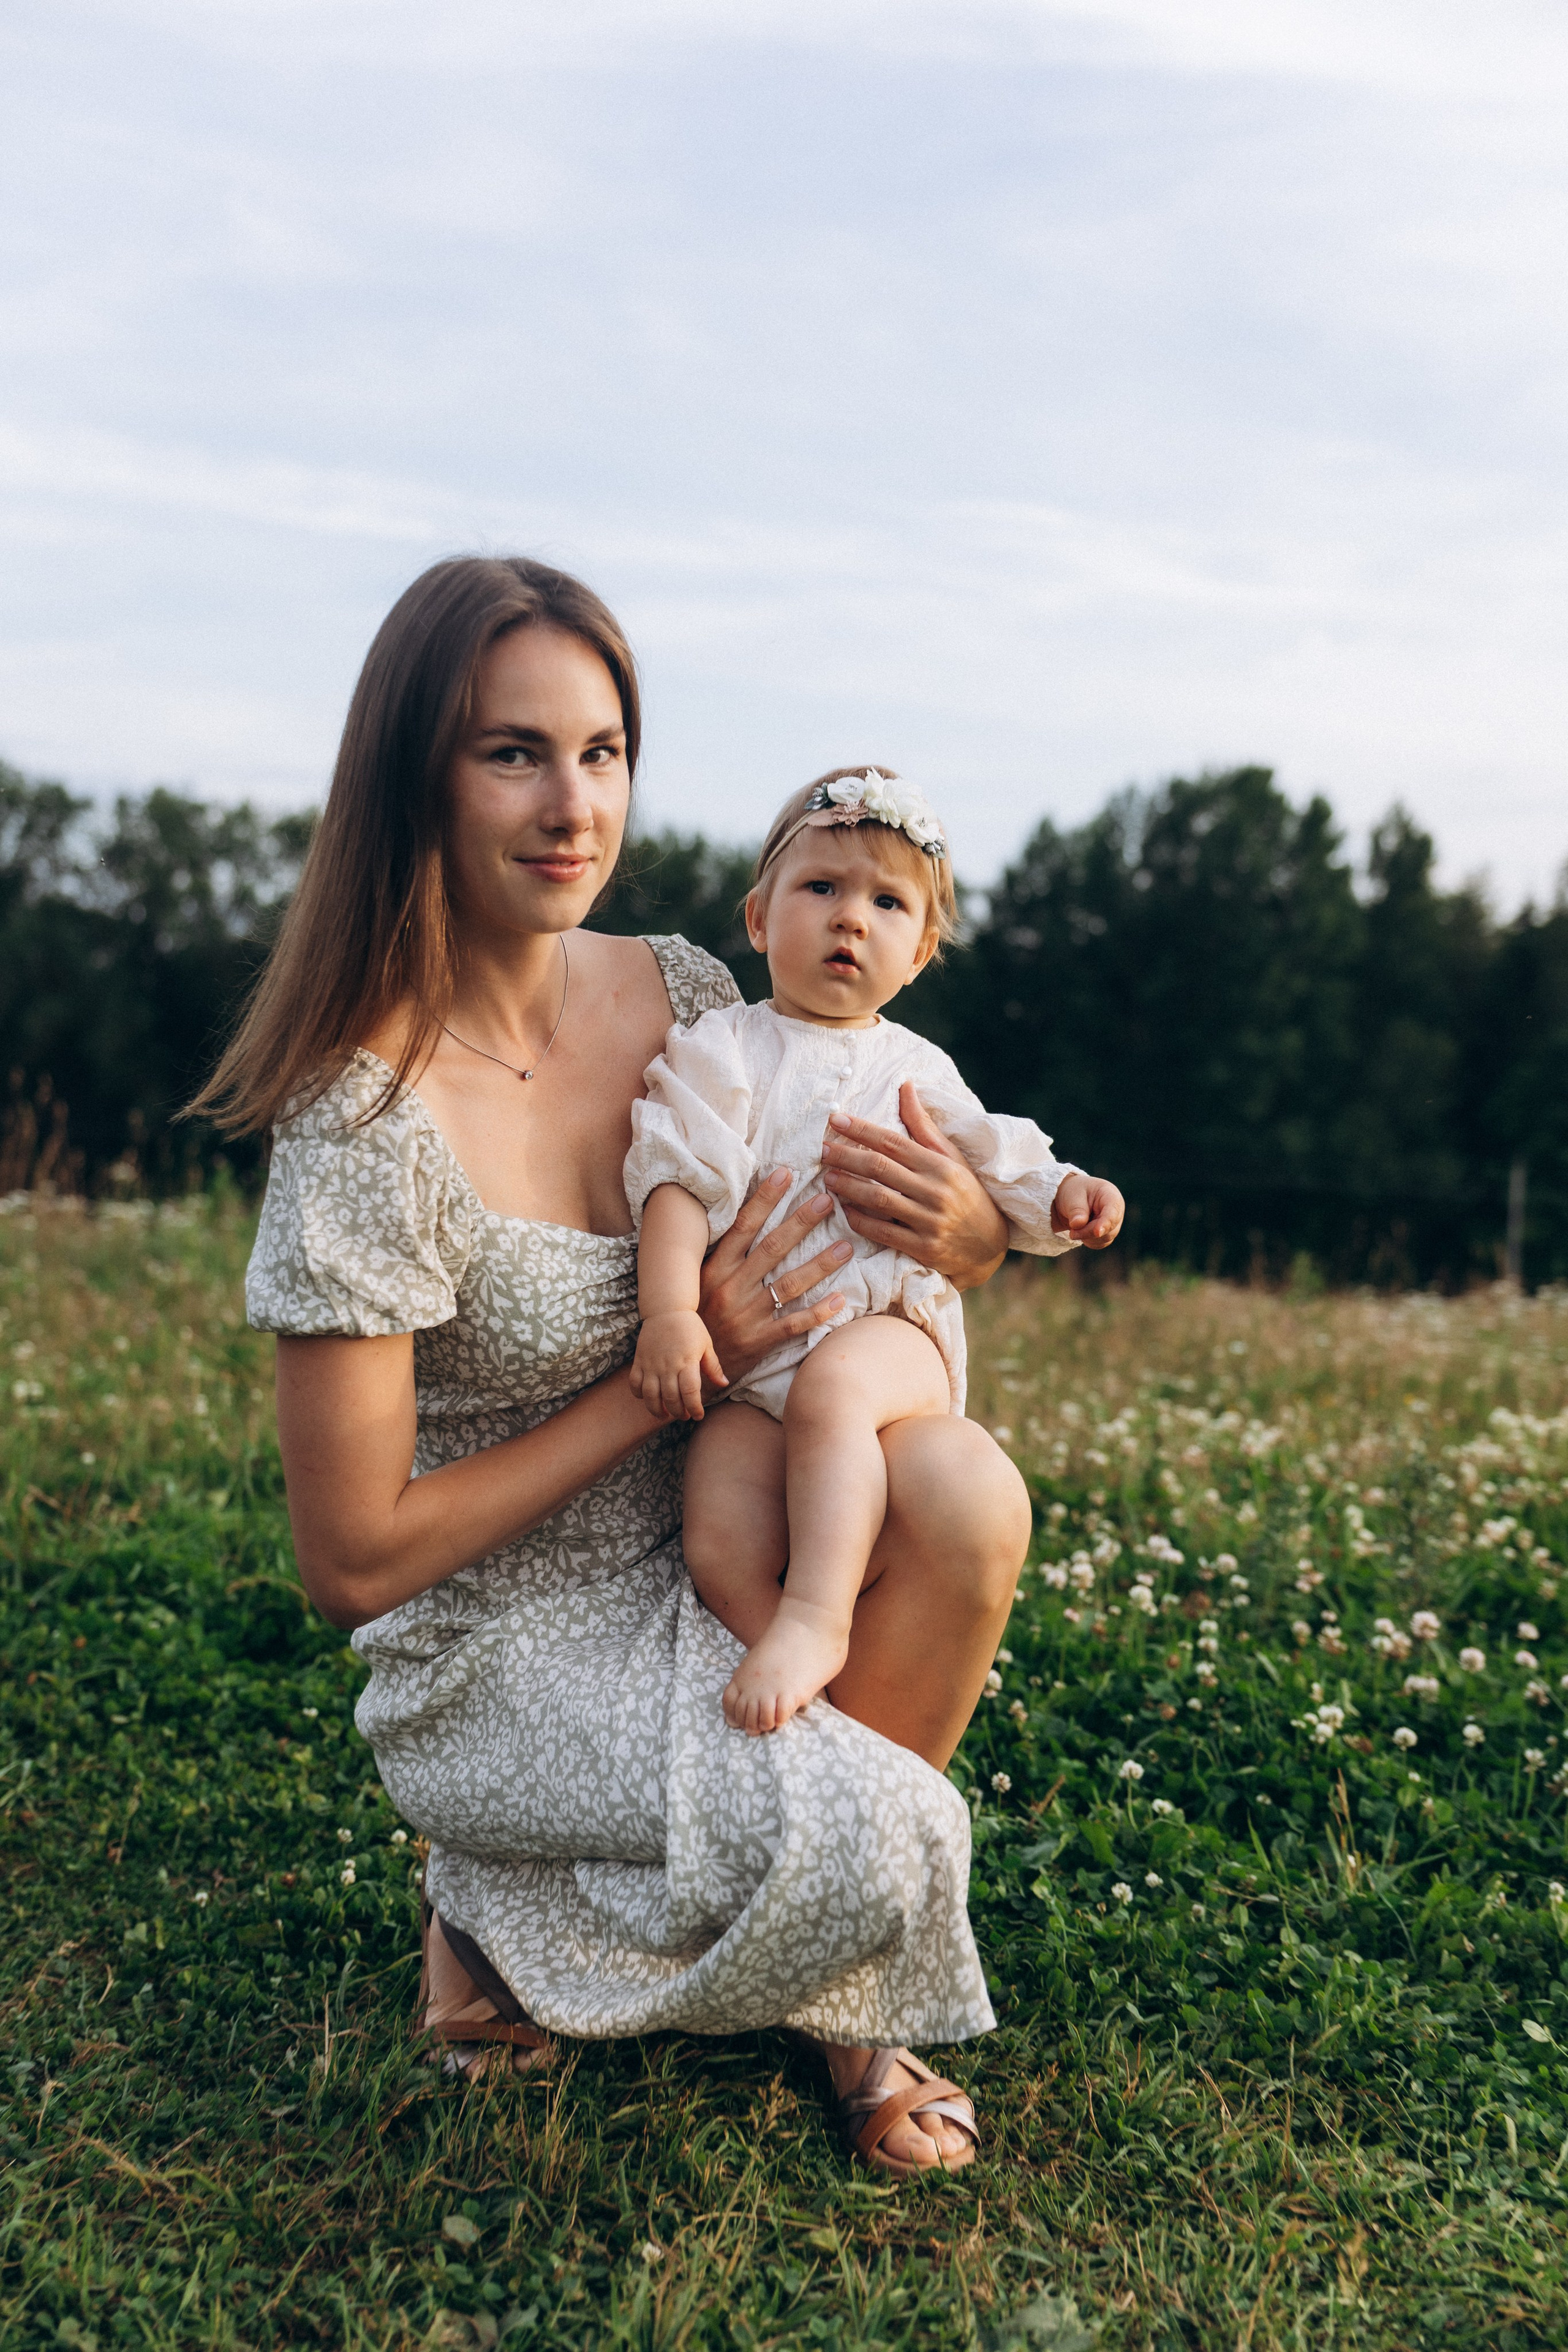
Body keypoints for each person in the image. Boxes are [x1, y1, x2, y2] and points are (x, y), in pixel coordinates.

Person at [193, 554, 1125, 2179]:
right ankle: (494, 1906)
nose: (573, 807)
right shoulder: (363, 1118)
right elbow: (350, 1565)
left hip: (731, 1526)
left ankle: (828, 1988)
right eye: (513, 753)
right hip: (510, 1625)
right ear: (416, 773)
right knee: (884, 1828)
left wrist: (977, 1234)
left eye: (604, 753)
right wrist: (648, 1385)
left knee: (967, 1492)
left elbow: (889, 1246)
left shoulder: (694, 996)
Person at [627, 766, 1123, 1733]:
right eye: (821, 889)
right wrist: (670, 1312)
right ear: (761, 918)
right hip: (751, 1370)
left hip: (886, 1335)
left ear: (922, 950)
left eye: (887, 902)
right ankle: (811, 1690)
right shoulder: (722, 1047)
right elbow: (677, 1178)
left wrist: (1066, 1191)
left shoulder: (914, 1067)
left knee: (837, 1392)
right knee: (717, 1526)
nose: (850, 920)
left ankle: (818, 1619)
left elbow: (996, 1151)